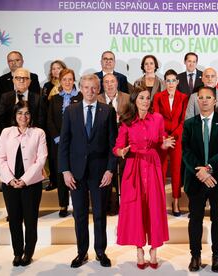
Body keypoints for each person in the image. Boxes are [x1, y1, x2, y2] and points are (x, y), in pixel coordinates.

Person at [58, 74, 117, 268]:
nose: (90, 91)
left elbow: (112, 145)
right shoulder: (70, 111)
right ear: (80, 89)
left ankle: (101, 252)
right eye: (86, 87)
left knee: (100, 214)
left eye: (93, 88)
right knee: (80, 215)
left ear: (98, 89)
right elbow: (64, 144)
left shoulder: (107, 111)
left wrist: (110, 170)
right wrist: (65, 171)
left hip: (101, 173)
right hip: (76, 173)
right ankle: (81, 252)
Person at [113, 86, 174, 269]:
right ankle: (139, 249)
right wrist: (121, 151)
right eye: (142, 98)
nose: (146, 101)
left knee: (154, 207)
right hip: (133, 167)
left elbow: (161, 141)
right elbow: (117, 147)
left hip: (153, 166)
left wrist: (164, 144)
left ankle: (154, 250)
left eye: (148, 98)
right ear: (134, 100)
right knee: (136, 209)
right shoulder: (127, 121)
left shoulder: (157, 118)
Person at [182, 86, 218, 272]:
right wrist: (202, 172)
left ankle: (216, 256)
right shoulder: (189, 124)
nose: (204, 100)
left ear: (215, 101)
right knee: (195, 219)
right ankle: (195, 255)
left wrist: (209, 168)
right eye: (201, 97)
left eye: (208, 97)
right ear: (197, 101)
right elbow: (186, 151)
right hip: (196, 179)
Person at [0, 101, 47, 267]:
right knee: (14, 220)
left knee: (30, 220)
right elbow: (0, 158)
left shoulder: (38, 133)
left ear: (31, 116)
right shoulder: (6, 132)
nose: (23, 117)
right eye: (19, 113)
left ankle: (28, 252)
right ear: (14, 115)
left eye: (26, 113)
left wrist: (24, 180)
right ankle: (17, 252)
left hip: (31, 184)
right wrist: (10, 179)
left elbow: (41, 160)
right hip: (10, 183)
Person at [153, 69, 188, 216]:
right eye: (168, 80)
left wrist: (173, 136)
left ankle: (175, 201)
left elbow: (183, 119)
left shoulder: (184, 97)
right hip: (162, 139)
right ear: (164, 82)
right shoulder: (158, 97)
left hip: (177, 139)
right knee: (160, 170)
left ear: (177, 82)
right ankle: (159, 202)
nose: (171, 83)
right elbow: (156, 118)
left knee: (176, 171)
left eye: (173, 80)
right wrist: (164, 138)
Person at [47, 68, 82, 217]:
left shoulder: (81, 97)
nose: (67, 82)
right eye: (64, 79)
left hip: (77, 143)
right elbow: (50, 121)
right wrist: (57, 138)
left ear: (74, 80)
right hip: (59, 144)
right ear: (60, 81)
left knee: (77, 173)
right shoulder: (54, 99)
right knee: (62, 174)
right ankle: (63, 205)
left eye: (70, 79)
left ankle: (78, 204)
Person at [97, 73, 130, 215]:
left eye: (112, 82)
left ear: (117, 83)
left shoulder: (127, 98)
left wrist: (121, 119)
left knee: (122, 175)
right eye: (106, 82)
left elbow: (132, 117)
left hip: (123, 143)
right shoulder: (97, 99)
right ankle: (109, 204)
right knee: (106, 173)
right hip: (103, 143)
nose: (109, 85)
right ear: (102, 85)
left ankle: (125, 204)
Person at [42, 60, 68, 192]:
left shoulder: (68, 86)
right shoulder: (47, 86)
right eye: (53, 68)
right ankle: (53, 180)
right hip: (51, 125)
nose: (56, 70)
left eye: (59, 68)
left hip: (65, 126)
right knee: (52, 156)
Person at [0, 68, 45, 135]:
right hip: (9, 137)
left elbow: (41, 121)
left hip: (31, 137)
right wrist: (8, 135)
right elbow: (0, 119)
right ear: (13, 80)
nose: (21, 81)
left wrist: (32, 135)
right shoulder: (5, 97)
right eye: (18, 78)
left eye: (25, 78)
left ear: (30, 81)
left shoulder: (38, 98)